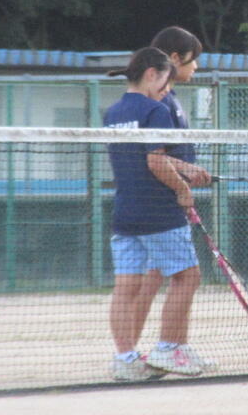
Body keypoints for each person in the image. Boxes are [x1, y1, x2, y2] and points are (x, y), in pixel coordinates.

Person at [104, 47, 211, 381]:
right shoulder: (156, 110)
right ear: (152, 74)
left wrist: (184, 168)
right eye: (165, 82)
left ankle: (125, 358)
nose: (166, 90)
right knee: (188, 276)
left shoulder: (112, 112)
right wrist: (182, 188)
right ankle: (168, 348)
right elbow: (154, 161)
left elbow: (146, 157)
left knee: (125, 287)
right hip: (158, 212)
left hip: (124, 214)